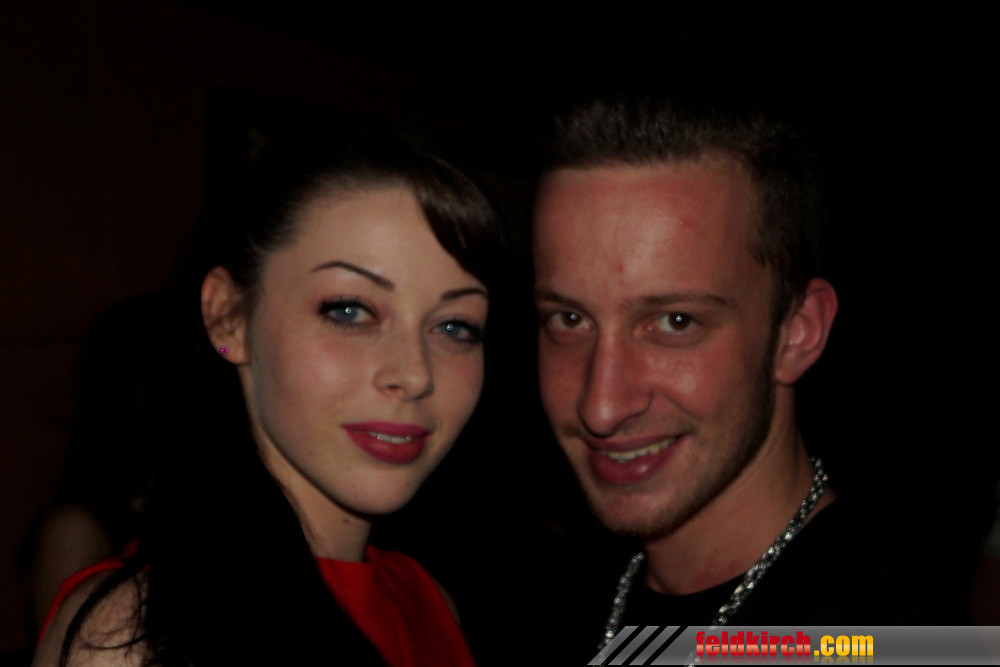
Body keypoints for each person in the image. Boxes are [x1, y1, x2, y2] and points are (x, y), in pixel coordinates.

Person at [33, 127, 503, 666]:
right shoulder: (134, 636)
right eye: (349, 310)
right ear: (228, 317)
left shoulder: (429, 603)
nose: (416, 374)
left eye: (455, 326)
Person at [531, 93, 965, 656]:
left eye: (676, 322)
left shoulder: (897, 641)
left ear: (796, 332)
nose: (602, 406)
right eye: (569, 319)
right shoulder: (534, 606)